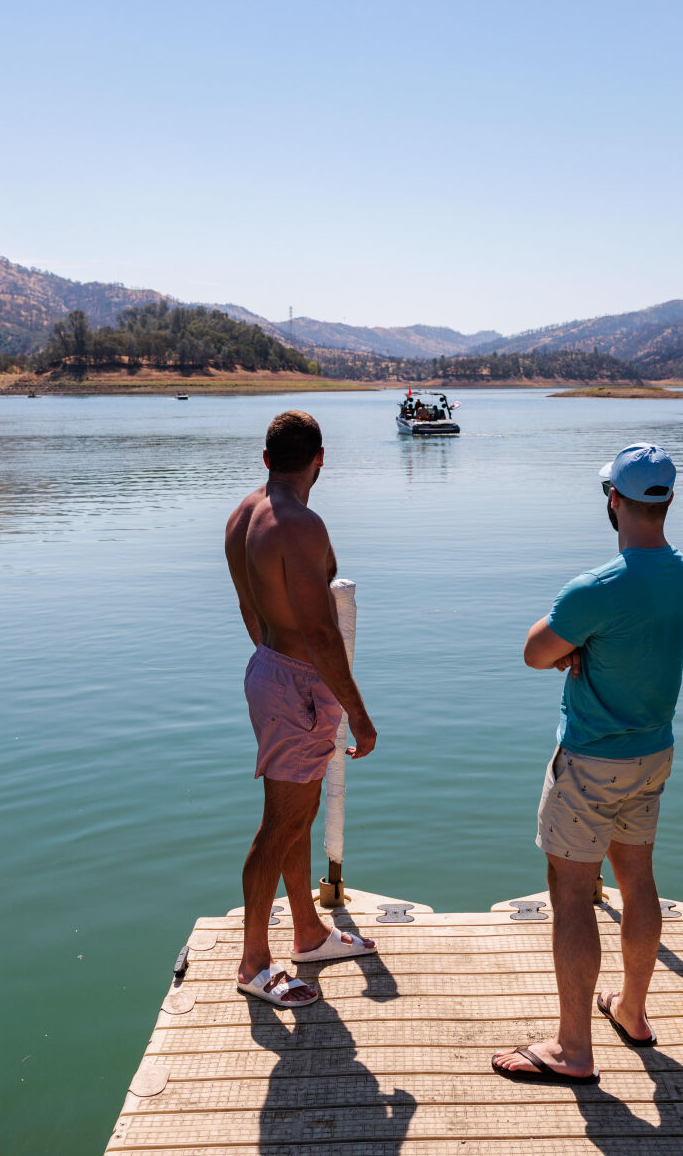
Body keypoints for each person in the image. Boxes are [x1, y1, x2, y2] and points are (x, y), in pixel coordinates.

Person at [492, 443, 683, 1084]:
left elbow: (533, 651)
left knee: (573, 896)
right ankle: (632, 1013)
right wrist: (583, 646)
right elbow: (633, 648)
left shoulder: (597, 588)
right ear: (666, 500)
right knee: (637, 877)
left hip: (589, 763)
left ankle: (573, 1050)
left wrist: (570, 646)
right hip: (653, 753)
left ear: (614, 500)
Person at [224, 410, 380, 1007]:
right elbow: (320, 631)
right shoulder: (302, 524)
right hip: (297, 683)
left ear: (266, 459)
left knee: (295, 816)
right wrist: (357, 713)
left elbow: (251, 609)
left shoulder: (243, 516)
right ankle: (254, 962)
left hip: (267, 668)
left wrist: (275, 672)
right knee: (278, 827)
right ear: (320, 458)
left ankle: (309, 934)